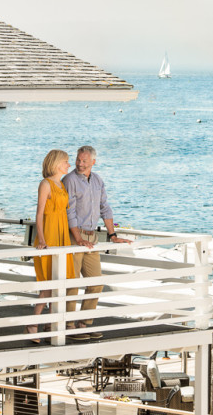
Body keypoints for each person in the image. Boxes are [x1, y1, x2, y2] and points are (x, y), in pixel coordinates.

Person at [62, 145, 131, 341]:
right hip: (74, 237)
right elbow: (69, 212)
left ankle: (84, 323)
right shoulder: (70, 180)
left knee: (96, 281)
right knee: (72, 283)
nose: (79, 164)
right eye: (78, 159)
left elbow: (104, 208)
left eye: (84, 161)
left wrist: (113, 235)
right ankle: (69, 325)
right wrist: (78, 238)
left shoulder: (98, 180)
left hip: (91, 238)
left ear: (93, 162)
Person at [27, 149, 77, 343]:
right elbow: (39, 213)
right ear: (57, 164)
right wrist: (41, 239)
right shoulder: (46, 184)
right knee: (48, 285)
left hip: (62, 234)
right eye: (66, 162)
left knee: (58, 284)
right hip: (48, 234)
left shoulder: (61, 185)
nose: (68, 165)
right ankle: (32, 324)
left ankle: (48, 325)